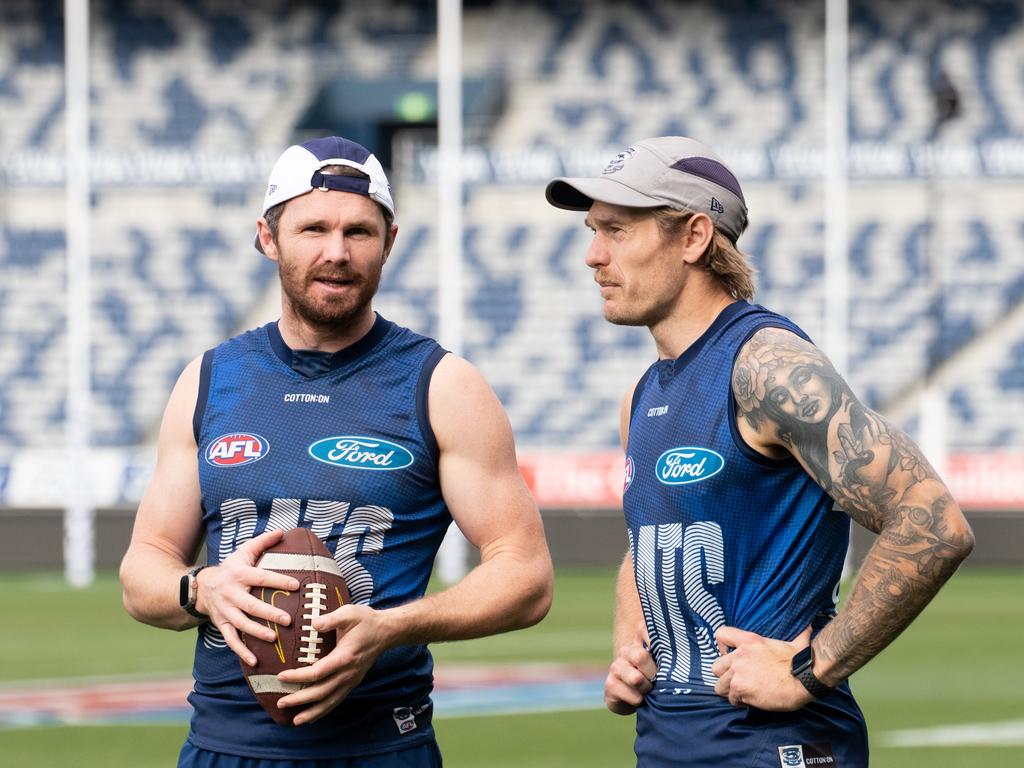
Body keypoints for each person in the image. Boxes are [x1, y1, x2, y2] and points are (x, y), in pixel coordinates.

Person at [120, 135, 554, 767]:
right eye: (313, 228)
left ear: (391, 241)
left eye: (359, 232)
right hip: (223, 748)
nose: (337, 252)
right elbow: (142, 571)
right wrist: (202, 589)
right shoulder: (209, 379)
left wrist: (393, 627)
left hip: (380, 748)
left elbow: (528, 577)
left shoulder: (442, 386)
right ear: (268, 238)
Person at [545, 136, 974, 767]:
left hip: (776, 747)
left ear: (693, 237)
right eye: (592, 230)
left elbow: (934, 522)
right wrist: (629, 648)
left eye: (617, 231)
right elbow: (649, 540)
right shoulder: (639, 395)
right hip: (666, 745)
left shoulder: (768, 367)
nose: (593, 255)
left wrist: (810, 667)